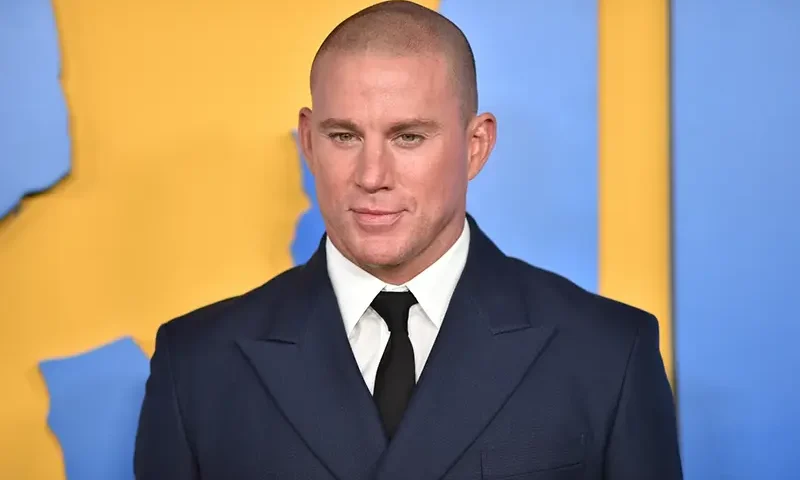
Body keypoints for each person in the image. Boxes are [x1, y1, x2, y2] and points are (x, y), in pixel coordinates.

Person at [133, 1, 683, 478]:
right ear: (308, 140)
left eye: (409, 136)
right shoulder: (197, 367)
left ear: (476, 146)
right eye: (344, 135)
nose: (372, 174)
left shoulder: (608, 353)